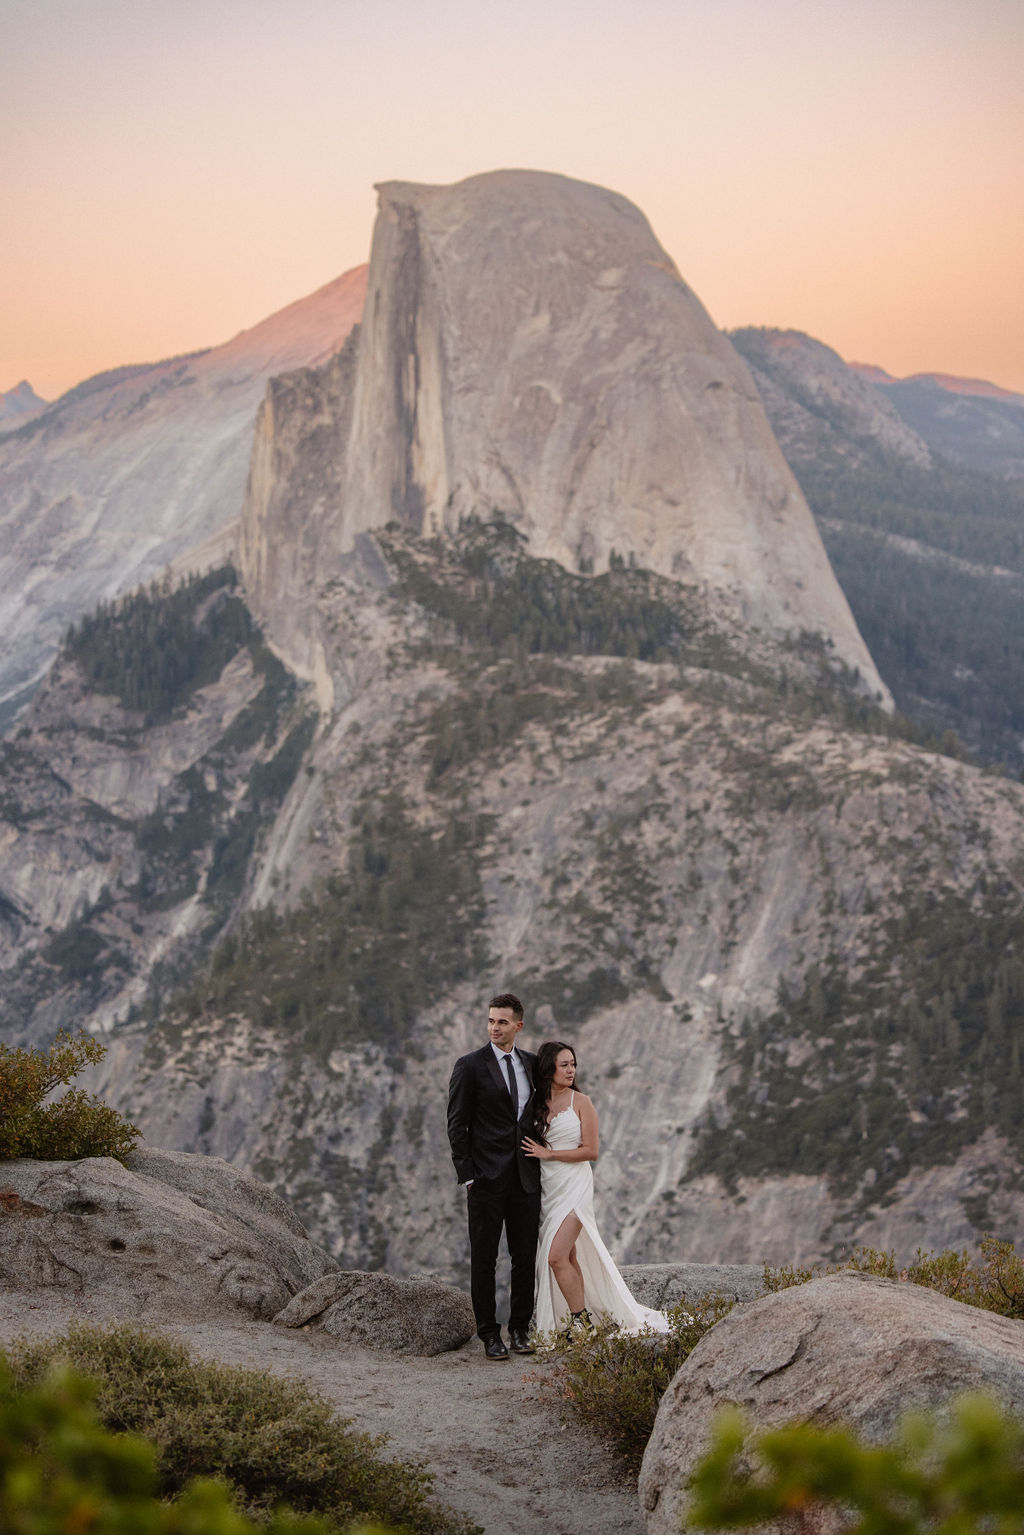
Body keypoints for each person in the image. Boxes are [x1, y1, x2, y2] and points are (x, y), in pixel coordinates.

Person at [522, 1040, 670, 1337]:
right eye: (564, 1064)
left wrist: (550, 1154)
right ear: (549, 1068)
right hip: (549, 1188)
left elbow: (591, 1151)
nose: (571, 1070)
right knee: (570, 1257)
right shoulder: (536, 1103)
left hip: (575, 1185)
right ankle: (581, 1318)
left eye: (573, 1064)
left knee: (555, 1256)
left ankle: (582, 1321)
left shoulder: (582, 1102)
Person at [447, 992, 541, 1360]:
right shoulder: (469, 1066)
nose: (494, 1028)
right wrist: (468, 1175)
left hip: (525, 1179)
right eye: (490, 1021)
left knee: (524, 1257)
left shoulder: (533, 1065)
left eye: (502, 1021)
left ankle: (519, 1329)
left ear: (518, 1025)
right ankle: (489, 1333)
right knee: (485, 1260)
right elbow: (457, 1125)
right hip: (485, 1180)